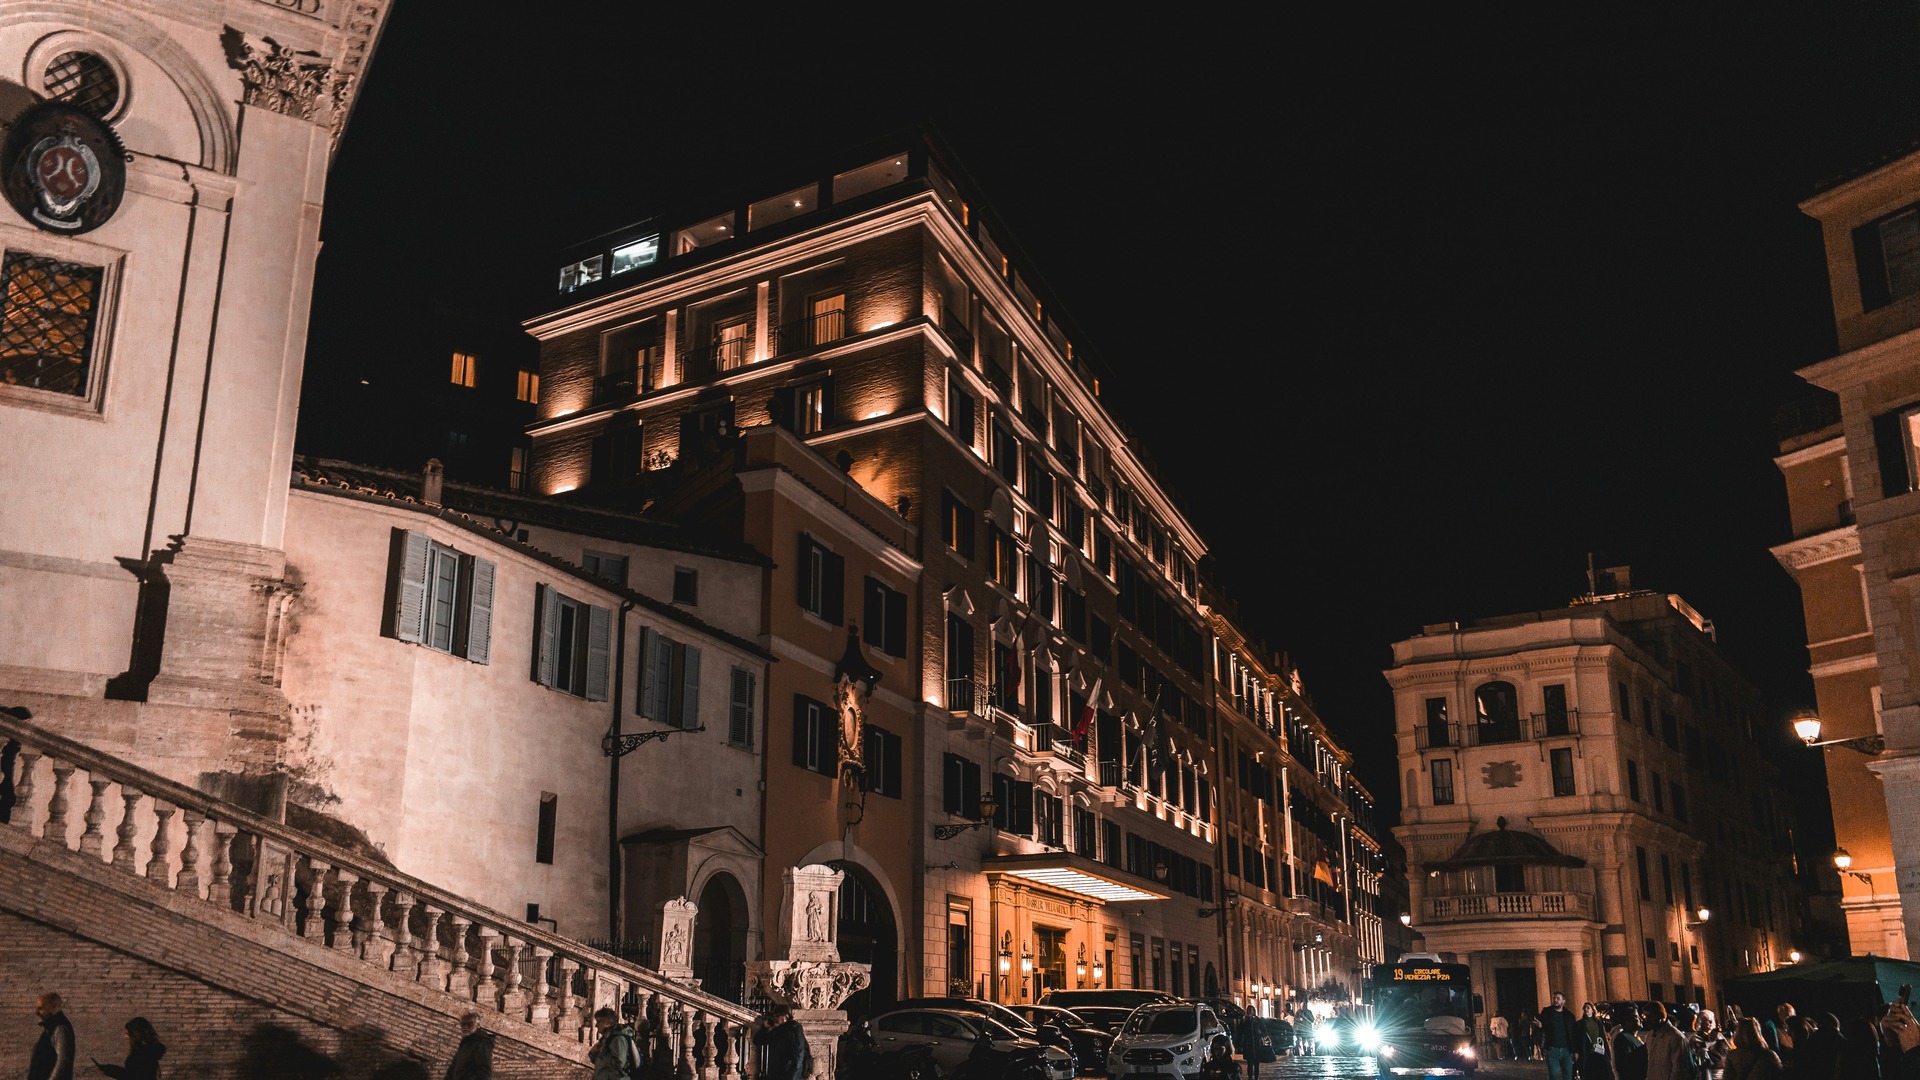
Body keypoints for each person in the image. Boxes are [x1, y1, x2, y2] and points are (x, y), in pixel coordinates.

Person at [89, 1017, 164, 1080]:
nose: (125, 1037)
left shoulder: (141, 1054)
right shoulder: (146, 1051)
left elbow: (131, 1076)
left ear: (135, 1034)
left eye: (127, 1034)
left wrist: (108, 1069)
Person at [753, 1003, 810, 1080]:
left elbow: (798, 1056)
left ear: (785, 1017)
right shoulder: (777, 1031)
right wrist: (764, 1028)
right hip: (778, 1074)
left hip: (789, 1075)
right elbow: (757, 1041)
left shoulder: (794, 1029)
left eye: (777, 1016)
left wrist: (793, 1078)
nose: (775, 1019)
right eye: (774, 1016)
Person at [589, 1007, 643, 1080]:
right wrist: (593, 1053)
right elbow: (600, 1064)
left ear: (609, 1023)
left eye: (599, 1021)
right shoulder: (606, 1039)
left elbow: (619, 1064)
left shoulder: (618, 1039)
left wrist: (601, 1056)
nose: (596, 1025)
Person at [1645, 1003, 1696, 1080]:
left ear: (1661, 1016)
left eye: (1651, 1016)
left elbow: (1678, 1070)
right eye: (1645, 1016)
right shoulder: (1650, 1036)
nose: (1647, 1020)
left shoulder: (1676, 1037)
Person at [30, 993, 74, 1080]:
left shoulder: (60, 1028)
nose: (37, 1013)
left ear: (54, 1007)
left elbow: (62, 1062)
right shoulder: (51, 1028)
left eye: (41, 1008)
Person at [442, 1012, 494, 1080]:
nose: (465, 1027)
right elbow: (453, 1069)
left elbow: (484, 1071)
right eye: (463, 1024)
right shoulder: (465, 1043)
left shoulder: (482, 1042)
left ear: (478, 1025)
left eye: (470, 1024)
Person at [1542, 991, 1581, 1080]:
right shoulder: (1546, 1013)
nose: (1555, 1000)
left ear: (1563, 1001)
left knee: (1568, 1075)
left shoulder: (1569, 1016)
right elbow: (1539, 1025)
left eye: (1558, 998)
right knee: (1554, 1074)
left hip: (1567, 1050)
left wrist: (1575, 1051)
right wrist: (1540, 1027)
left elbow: (1574, 1034)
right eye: (1554, 998)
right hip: (1552, 1050)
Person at [1578, 1002, 1614, 1080]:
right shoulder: (1580, 1024)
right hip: (1587, 1052)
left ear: (1592, 1010)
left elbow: (1603, 1037)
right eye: (1585, 1008)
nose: (1586, 1009)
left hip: (1599, 1050)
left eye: (1588, 1008)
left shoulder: (1598, 1022)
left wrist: (1608, 1054)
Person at [1614, 1005, 1649, 1080]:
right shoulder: (1622, 1038)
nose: (1640, 1019)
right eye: (1636, 1017)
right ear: (1627, 1021)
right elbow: (1625, 1065)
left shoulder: (1636, 1038)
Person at [1694, 1011, 1730, 1080]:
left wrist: (1718, 1039)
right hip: (1707, 1073)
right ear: (1701, 1022)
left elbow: (1727, 1050)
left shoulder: (1718, 1035)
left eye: (1712, 1020)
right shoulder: (1696, 1038)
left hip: (1722, 1071)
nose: (1711, 1023)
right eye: (1708, 1020)